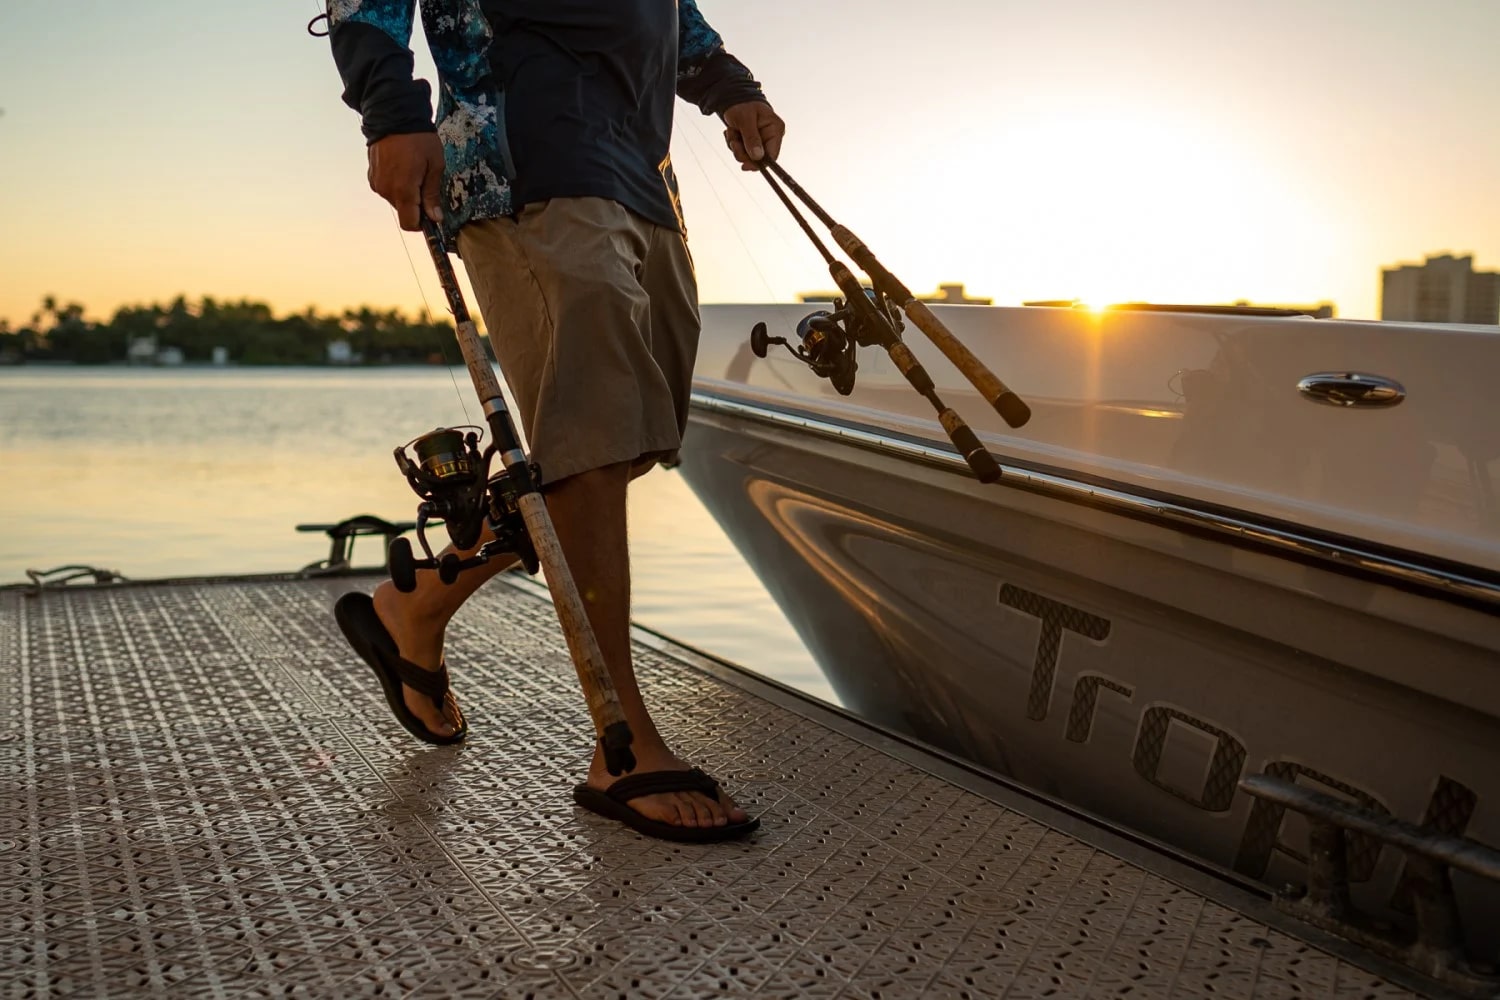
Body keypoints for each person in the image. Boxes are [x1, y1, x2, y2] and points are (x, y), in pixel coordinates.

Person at [324, 0, 786, 842]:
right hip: (522, 159)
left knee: (631, 439)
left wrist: (728, 86)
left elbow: (669, 15)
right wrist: (391, 113)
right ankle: (623, 745)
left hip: (640, 174)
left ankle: (417, 609)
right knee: (593, 448)